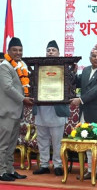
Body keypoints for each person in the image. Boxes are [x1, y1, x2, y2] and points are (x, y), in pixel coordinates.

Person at [70, 43, 97, 182]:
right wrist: (72, 72)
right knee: (88, 145)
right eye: (94, 56)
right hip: (86, 114)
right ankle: (90, 170)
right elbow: (76, 83)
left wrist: (81, 99)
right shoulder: (87, 70)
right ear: (90, 58)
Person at [32, 40, 70, 176]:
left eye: (53, 50)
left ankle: (58, 165)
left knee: (57, 141)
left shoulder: (64, 68)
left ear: (59, 53)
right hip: (41, 110)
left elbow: (70, 86)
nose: (50, 52)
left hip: (57, 111)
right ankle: (43, 165)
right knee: (42, 140)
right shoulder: (38, 68)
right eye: (48, 50)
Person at [0, 37, 34, 181]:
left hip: (16, 112)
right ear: (8, 51)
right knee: (3, 144)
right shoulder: (5, 66)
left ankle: (10, 170)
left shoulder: (20, 66)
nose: (18, 53)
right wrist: (23, 99)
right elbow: (7, 87)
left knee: (12, 144)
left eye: (20, 50)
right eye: (14, 50)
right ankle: (1, 172)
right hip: (6, 112)